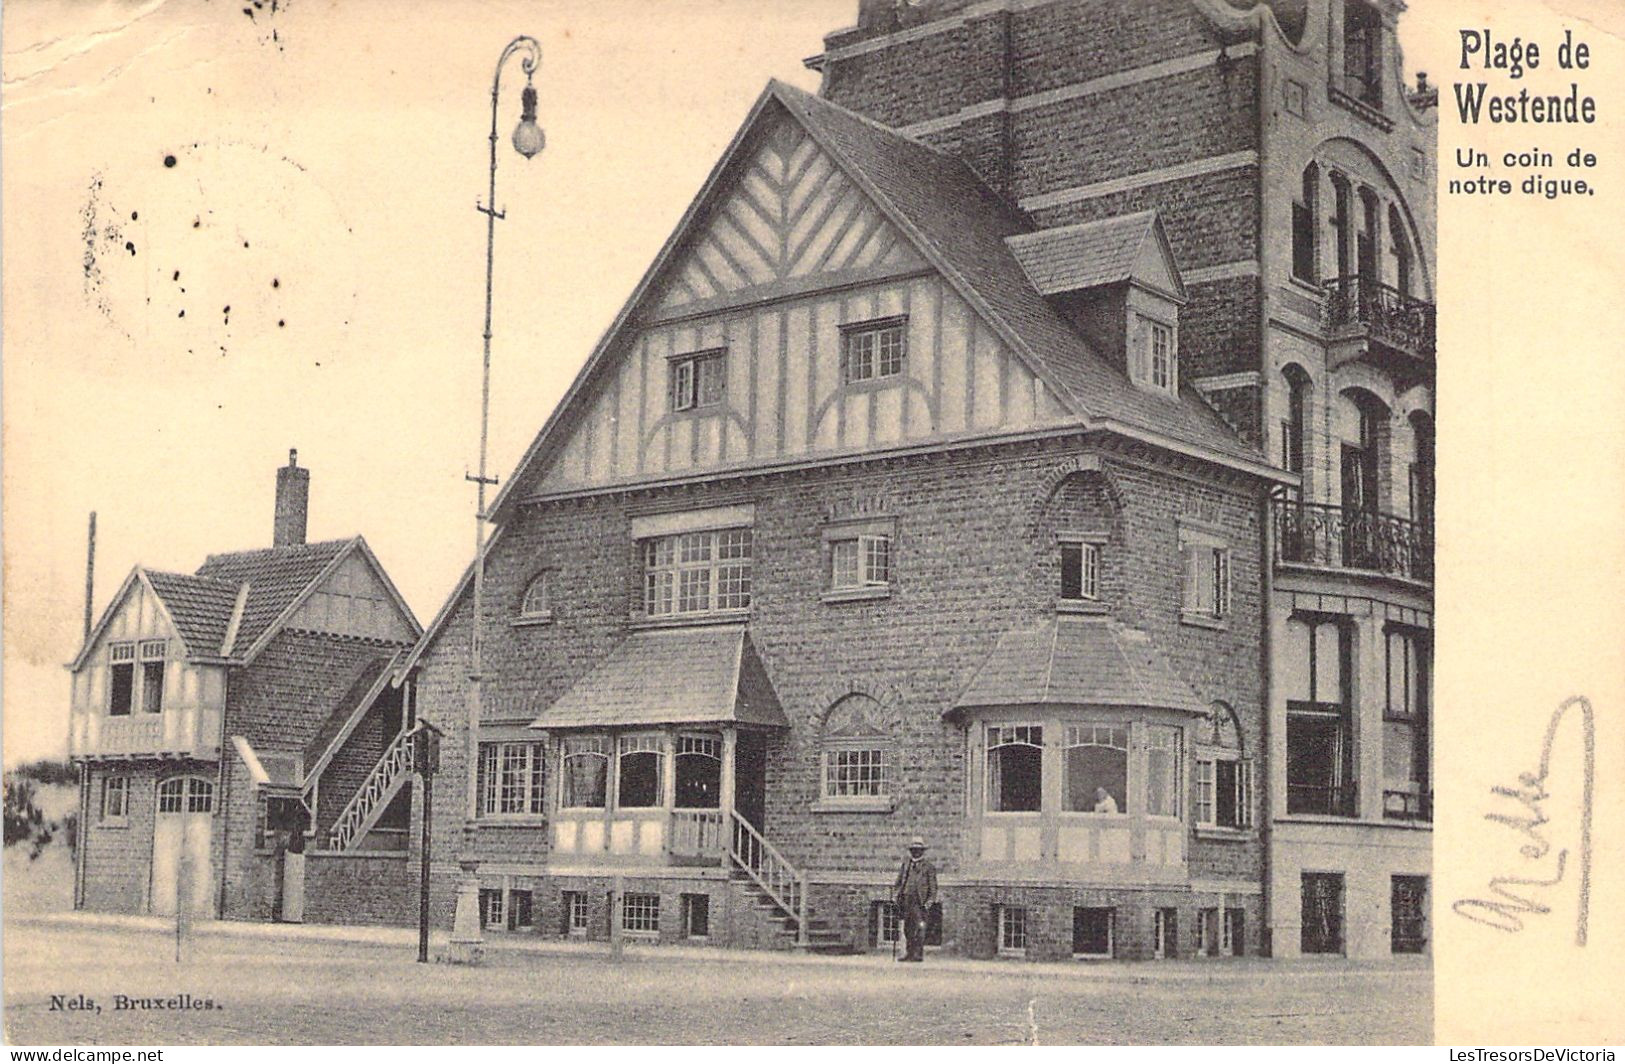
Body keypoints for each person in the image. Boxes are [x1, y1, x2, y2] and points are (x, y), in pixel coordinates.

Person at [892, 836, 938, 962]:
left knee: (919, 928)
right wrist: (896, 896)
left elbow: (933, 888)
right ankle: (909, 953)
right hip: (906, 900)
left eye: (918, 850)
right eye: (913, 849)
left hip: (920, 902)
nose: (915, 852)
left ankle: (918, 954)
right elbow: (899, 882)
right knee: (908, 928)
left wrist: (929, 903)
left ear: (922, 851)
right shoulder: (906, 864)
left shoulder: (929, 867)